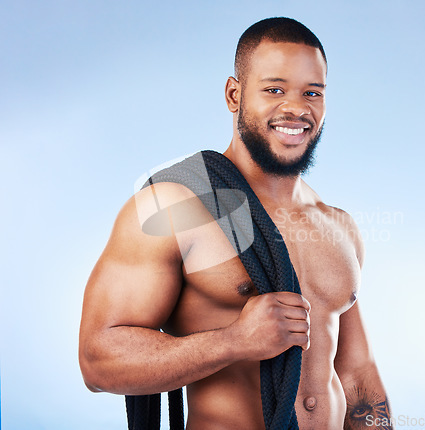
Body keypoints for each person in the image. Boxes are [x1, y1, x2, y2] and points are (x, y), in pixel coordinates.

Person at [79, 17, 392, 430]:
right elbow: (97, 360)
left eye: (311, 93)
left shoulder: (339, 225)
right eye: (274, 89)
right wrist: (234, 341)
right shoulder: (175, 206)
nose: (296, 108)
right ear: (234, 94)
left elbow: (358, 373)